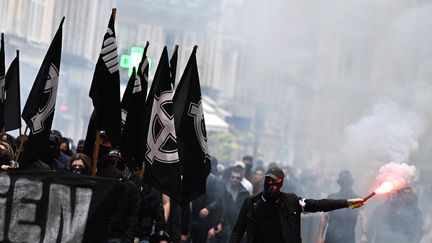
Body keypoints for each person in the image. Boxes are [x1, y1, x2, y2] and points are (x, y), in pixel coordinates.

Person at [229, 166, 364, 243]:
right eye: (270, 181)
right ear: (265, 180)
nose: (273, 185)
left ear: (281, 183)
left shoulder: (291, 201)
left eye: (276, 182)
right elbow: (238, 231)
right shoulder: (253, 203)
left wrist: (346, 203)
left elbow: (318, 204)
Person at [317, 170, 367, 243]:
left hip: (347, 238)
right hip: (332, 237)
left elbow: (363, 218)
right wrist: (319, 236)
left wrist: (364, 235)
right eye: (344, 183)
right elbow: (324, 216)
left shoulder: (356, 200)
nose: (345, 185)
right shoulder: (333, 197)